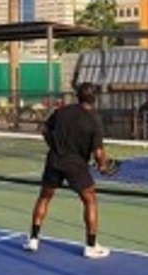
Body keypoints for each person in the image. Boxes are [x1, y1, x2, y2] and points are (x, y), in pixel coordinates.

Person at [23, 83, 110, 259]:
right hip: (76, 166)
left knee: (44, 197)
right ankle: (91, 246)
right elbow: (99, 152)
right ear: (95, 98)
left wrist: (54, 146)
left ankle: (33, 239)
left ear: (78, 96)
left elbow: (45, 130)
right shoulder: (94, 120)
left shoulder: (63, 111)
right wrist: (102, 165)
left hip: (54, 161)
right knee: (90, 201)